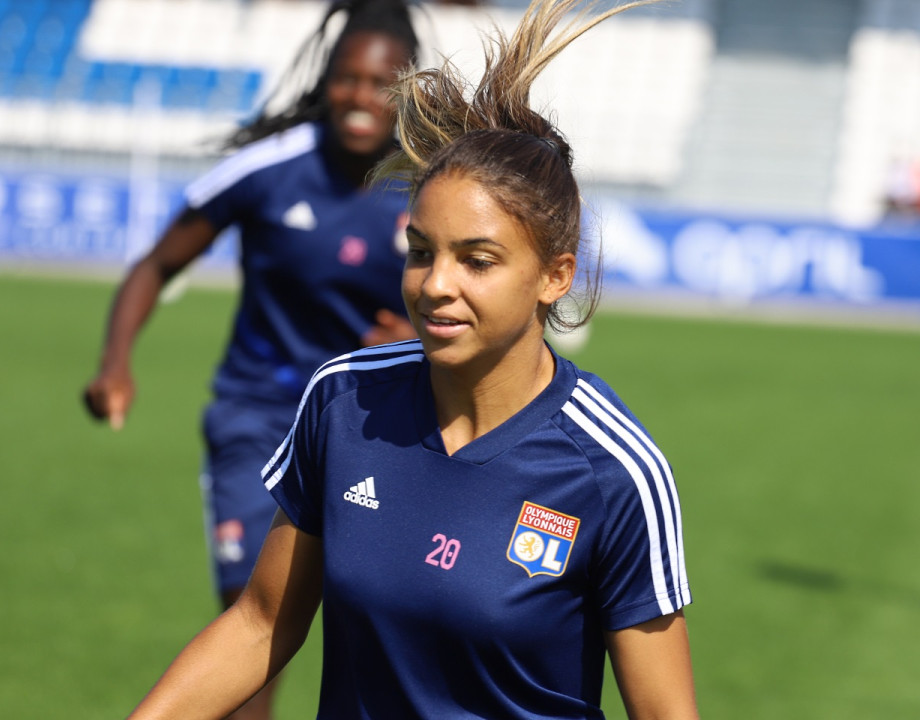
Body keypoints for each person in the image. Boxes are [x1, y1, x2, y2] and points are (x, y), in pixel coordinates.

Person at [124, 1, 698, 718]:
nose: (436, 285)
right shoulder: (342, 403)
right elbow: (260, 623)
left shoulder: (613, 471)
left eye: (477, 260)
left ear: (555, 275)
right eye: (422, 253)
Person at [83, 0, 420, 717]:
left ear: (409, 92)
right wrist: (116, 362)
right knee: (252, 621)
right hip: (259, 417)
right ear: (326, 79)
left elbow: (486, 312)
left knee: (393, 636)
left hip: (379, 431)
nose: (361, 98)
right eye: (348, 78)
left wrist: (416, 349)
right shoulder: (270, 169)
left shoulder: (432, 187)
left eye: (382, 85)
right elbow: (154, 265)